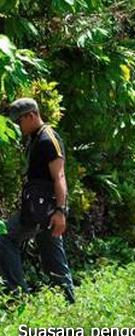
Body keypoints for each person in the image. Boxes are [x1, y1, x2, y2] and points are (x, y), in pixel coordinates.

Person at [0, 98, 75, 303]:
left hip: (45, 210)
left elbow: (59, 176)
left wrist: (61, 211)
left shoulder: (47, 139)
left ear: (31, 116)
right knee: (54, 262)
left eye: (19, 122)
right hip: (39, 210)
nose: (17, 127)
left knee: (4, 237)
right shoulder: (35, 138)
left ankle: (18, 298)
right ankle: (69, 307)